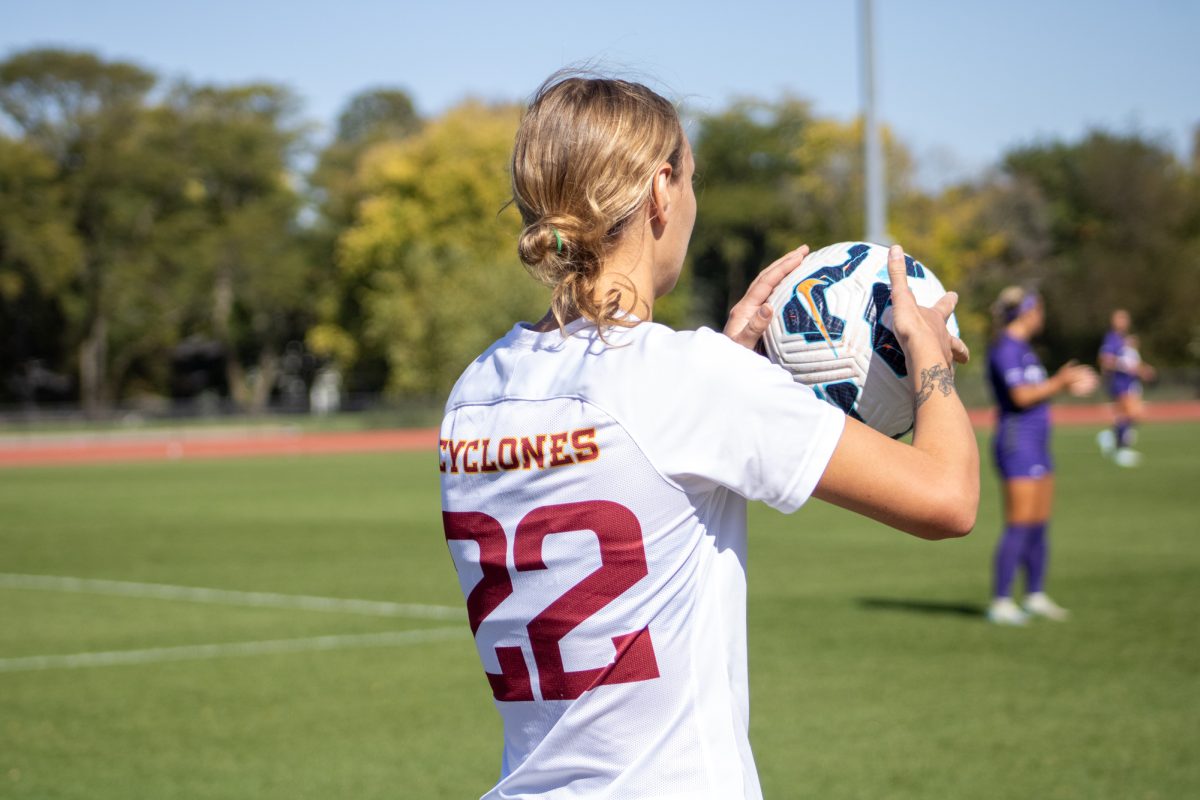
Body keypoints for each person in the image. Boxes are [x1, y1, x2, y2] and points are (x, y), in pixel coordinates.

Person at [439, 73, 978, 800]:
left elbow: (634, 461)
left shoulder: (476, 389)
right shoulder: (690, 381)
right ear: (661, 188)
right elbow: (947, 499)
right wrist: (930, 361)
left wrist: (725, 364)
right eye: (690, 178)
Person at [985, 287, 1098, 626]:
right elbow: (1020, 396)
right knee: (1019, 523)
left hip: (1037, 444)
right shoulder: (1006, 348)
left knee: (1038, 523)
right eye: (1039, 310)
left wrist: (1059, 383)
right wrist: (1061, 382)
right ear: (1028, 312)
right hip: (1017, 442)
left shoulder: (1023, 349)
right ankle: (1001, 601)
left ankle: (1034, 595)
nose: (1042, 317)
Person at [1097, 309, 1155, 467]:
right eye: (1120, 318)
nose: (1123, 321)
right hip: (1119, 382)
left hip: (1130, 382)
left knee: (1131, 415)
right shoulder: (1112, 338)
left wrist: (1143, 370)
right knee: (1129, 413)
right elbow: (1106, 360)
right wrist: (1126, 366)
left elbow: (1132, 362)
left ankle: (1111, 437)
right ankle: (1121, 449)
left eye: (1125, 318)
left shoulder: (1126, 340)